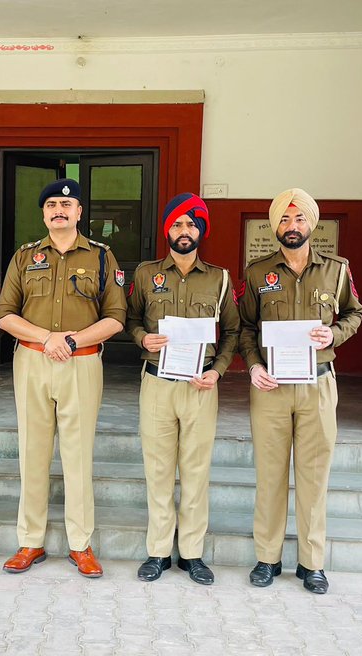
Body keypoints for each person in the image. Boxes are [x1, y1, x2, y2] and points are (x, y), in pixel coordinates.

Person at [0, 178, 126, 578]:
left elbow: (116, 319)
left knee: (78, 454)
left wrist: (71, 341)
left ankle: (80, 544)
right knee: (32, 453)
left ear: (79, 212)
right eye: (51, 204)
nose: (59, 210)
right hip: (33, 361)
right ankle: (30, 541)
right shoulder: (24, 257)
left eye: (66, 205)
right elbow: (4, 314)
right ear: (43, 213)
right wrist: (47, 338)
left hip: (81, 364)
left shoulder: (104, 257)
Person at [238, 187, 362, 594]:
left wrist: (334, 332)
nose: (292, 227)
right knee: (270, 475)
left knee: (313, 476)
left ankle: (312, 563)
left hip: (318, 385)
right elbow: (244, 327)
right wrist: (254, 366)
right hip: (271, 388)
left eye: (299, 219)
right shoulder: (257, 273)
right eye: (285, 220)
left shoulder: (337, 270)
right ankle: (267, 558)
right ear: (275, 226)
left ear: (312, 223)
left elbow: (354, 313)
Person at [126, 193, 239, 585]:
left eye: (191, 225)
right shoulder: (146, 274)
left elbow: (235, 331)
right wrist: (143, 339)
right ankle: (158, 550)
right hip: (157, 381)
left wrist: (219, 371)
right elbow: (131, 318)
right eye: (177, 224)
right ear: (167, 231)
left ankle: (191, 553)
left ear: (201, 231)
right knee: (158, 469)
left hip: (201, 384)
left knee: (195, 470)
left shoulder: (220, 278)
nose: (184, 231)